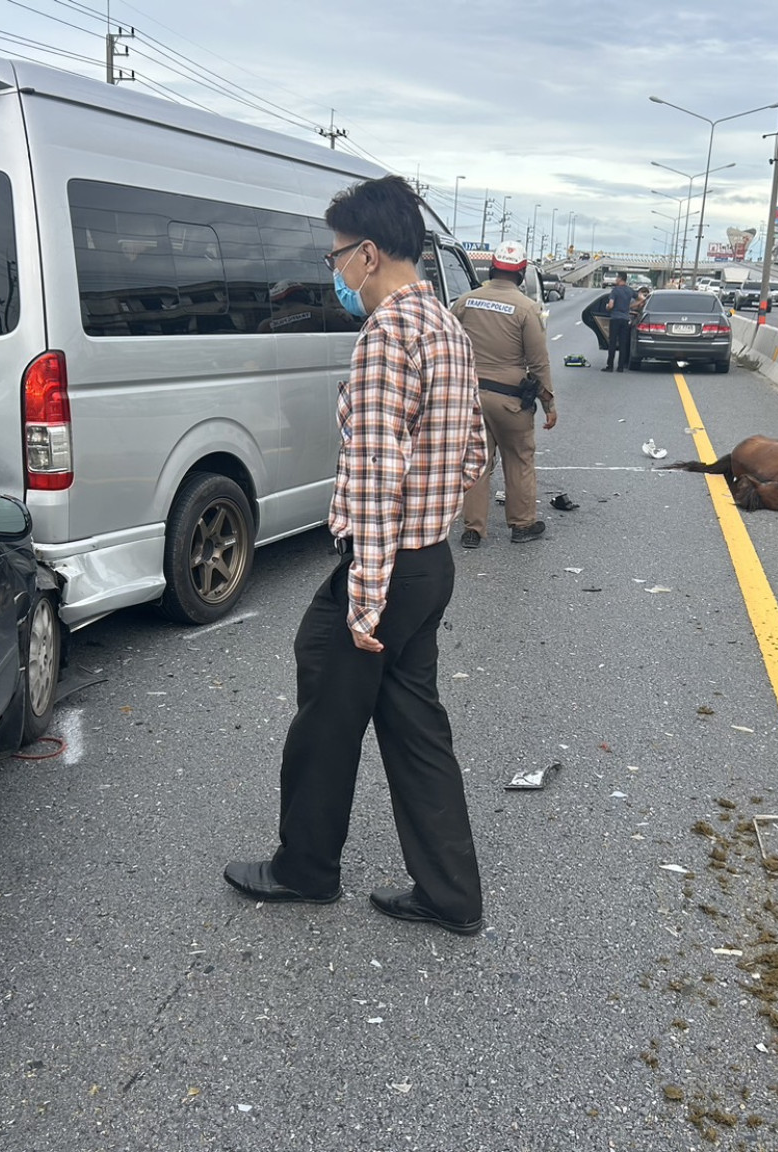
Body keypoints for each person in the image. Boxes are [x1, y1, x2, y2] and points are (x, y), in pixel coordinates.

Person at [223, 174, 489, 935]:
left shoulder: (386, 336)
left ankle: (305, 869)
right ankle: (450, 893)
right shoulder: (446, 326)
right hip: (429, 560)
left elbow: (374, 475)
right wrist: (433, 509)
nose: (333, 271)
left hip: (386, 568)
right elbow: (473, 451)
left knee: (326, 710)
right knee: (414, 725)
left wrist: (366, 598)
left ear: (368, 254)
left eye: (336, 255)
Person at [452, 239, 556, 548]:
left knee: (477, 462)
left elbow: (447, 343)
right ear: (521, 274)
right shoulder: (526, 308)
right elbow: (538, 362)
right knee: (519, 459)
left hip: (470, 396)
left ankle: (472, 530)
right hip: (510, 400)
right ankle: (522, 525)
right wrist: (548, 403)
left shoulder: (465, 302)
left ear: (492, 269)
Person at [602, 272, 636, 372]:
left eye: (617, 277)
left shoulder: (615, 291)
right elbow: (642, 298)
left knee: (612, 343)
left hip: (615, 319)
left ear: (620, 279)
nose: (615, 279)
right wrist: (630, 307)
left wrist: (607, 307)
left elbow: (611, 305)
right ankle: (620, 367)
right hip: (625, 319)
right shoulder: (629, 290)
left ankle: (610, 366)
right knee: (623, 343)